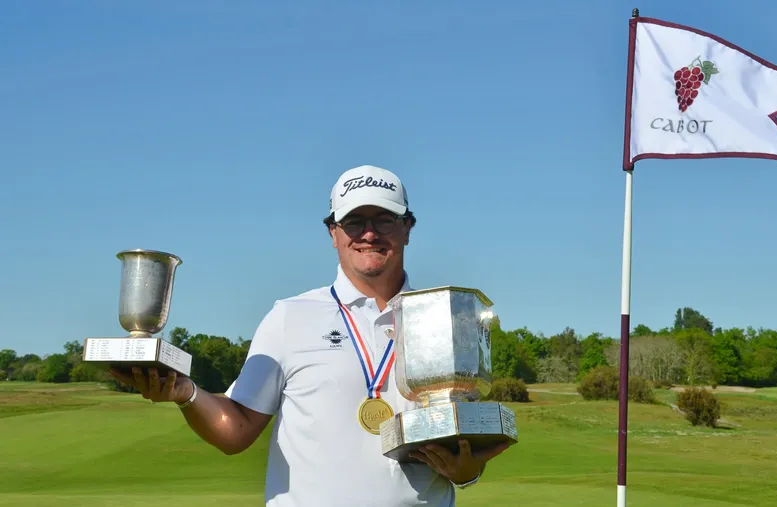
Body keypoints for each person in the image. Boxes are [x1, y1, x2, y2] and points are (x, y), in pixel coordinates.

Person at [110, 165, 511, 506]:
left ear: (408, 228)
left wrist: (468, 472)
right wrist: (186, 393)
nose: (369, 233)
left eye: (384, 220)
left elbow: (460, 437)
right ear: (333, 232)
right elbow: (235, 431)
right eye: (354, 221)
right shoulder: (290, 317)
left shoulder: (443, 318)